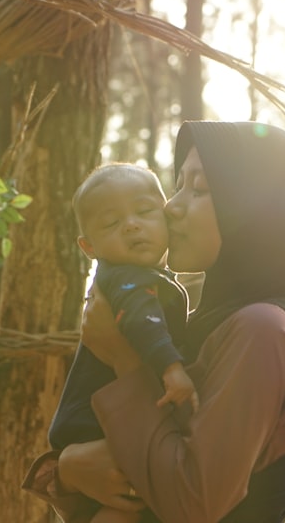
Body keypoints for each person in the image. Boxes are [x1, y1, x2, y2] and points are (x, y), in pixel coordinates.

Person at [23, 121, 285, 523]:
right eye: (178, 185)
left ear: (253, 210)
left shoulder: (264, 331)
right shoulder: (211, 328)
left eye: (198, 189)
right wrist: (70, 471)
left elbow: (190, 504)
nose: (172, 206)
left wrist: (125, 359)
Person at [47, 163, 198, 522]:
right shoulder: (127, 280)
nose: (131, 224)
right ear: (89, 246)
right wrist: (172, 368)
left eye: (145, 211)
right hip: (94, 428)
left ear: (165, 215)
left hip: (99, 427)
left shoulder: (138, 277)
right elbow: (140, 321)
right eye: (111, 222)